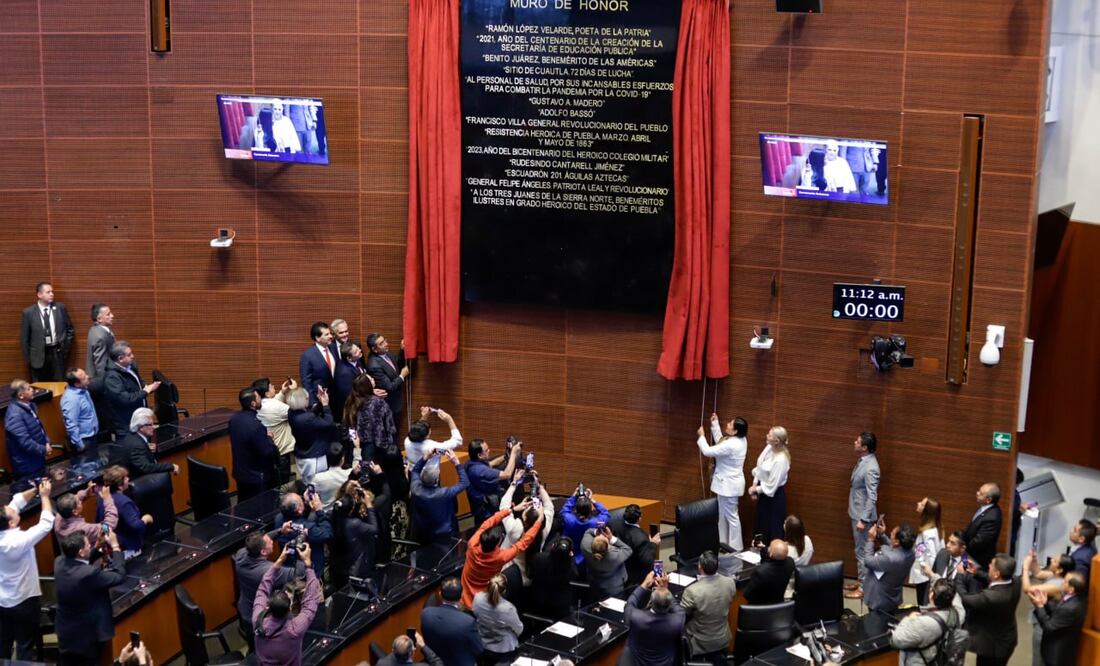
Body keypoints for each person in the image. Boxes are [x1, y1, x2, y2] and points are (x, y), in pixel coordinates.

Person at [55, 529, 127, 665]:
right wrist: (116, 547)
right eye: (88, 545)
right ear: (81, 552)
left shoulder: (59, 562)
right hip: (86, 637)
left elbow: (80, 563)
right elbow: (119, 576)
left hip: (65, 633)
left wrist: (97, 548)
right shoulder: (89, 574)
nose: (90, 545)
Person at [0, 479, 53, 660]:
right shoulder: (17, 541)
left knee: (3, 644)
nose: (14, 508)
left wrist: (36, 490)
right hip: (23, 600)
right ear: (12, 523)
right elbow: (46, 524)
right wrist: (45, 496)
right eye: (13, 513)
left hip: (2, 600)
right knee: (25, 645)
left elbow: (16, 502)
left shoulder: (6, 530)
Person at [460, 504, 544, 608]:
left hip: (464, 598)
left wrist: (511, 510)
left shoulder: (472, 544)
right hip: (483, 603)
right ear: (498, 543)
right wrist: (539, 521)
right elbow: (524, 543)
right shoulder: (501, 557)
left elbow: (486, 524)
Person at [252, 543, 322, 666]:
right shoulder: (294, 629)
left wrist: (280, 560)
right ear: (289, 608)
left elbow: (263, 588)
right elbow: (311, 602)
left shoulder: (257, 620)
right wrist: (308, 565)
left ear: (268, 606)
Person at [233, 531, 302, 649]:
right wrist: (300, 553)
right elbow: (298, 573)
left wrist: (280, 531)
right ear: (263, 552)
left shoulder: (241, 554)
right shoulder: (266, 571)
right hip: (260, 619)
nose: (271, 540)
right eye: (269, 542)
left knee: (253, 647)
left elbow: (259, 541)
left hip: (245, 610)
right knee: (263, 648)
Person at [347, 373, 405, 499]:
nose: (373, 379)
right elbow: (390, 426)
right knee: (383, 477)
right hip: (381, 446)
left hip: (361, 448)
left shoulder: (351, 402)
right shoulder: (379, 403)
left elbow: (349, 427)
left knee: (366, 478)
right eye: (370, 379)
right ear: (367, 386)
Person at [695, 412, 747, 551]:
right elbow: (721, 443)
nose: (728, 424)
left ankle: (736, 548)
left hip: (729, 486)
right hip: (726, 484)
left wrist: (701, 437)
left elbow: (708, 451)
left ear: (735, 431)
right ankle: (723, 544)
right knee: (723, 515)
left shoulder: (732, 444)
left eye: (730, 424)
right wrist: (715, 424)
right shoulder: (739, 440)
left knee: (731, 517)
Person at [958, 553, 1021, 666]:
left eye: (991, 566)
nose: (988, 566)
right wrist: (977, 572)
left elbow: (965, 598)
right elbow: (995, 580)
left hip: (992, 648)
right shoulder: (1015, 581)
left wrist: (960, 576)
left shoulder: (991, 597)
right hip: (1007, 638)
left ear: (997, 573)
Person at [889, 578, 964, 666]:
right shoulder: (958, 612)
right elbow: (955, 596)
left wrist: (908, 619)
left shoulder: (923, 623)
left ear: (931, 595)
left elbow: (896, 640)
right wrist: (931, 574)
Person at [681, 550, 738, 664]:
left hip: (700, 642)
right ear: (718, 565)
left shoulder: (692, 591)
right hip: (722, 638)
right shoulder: (730, 583)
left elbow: (681, 615)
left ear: (699, 567)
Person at [500, 470, 554, 586]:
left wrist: (514, 482)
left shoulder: (515, 528)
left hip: (510, 577)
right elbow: (549, 506)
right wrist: (540, 487)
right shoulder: (543, 529)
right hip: (529, 578)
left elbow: (504, 506)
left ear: (524, 517)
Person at [1022, 549, 1075, 666]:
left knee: (1039, 659)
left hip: (1045, 625)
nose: (1051, 560)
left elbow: (1027, 589)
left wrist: (1025, 568)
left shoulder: (1057, 585)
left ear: (1060, 569)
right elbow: (1038, 573)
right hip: (1043, 619)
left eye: (1055, 561)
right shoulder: (1056, 574)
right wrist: (1033, 561)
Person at [623, 571, 685, 666]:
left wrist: (644, 584)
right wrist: (665, 590)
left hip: (640, 662)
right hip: (666, 663)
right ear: (669, 605)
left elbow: (630, 603)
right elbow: (677, 607)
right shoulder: (678, 620)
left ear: (650, 602)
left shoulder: (636, 617)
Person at [846, 432, 880, 599]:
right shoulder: (864, 461)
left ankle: (864, 588)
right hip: (856, 511)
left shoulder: (871, 467)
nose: (855, 442)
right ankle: (861, 581)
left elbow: (872, 496)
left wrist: (864, 519)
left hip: (862, 516)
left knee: (862, 552)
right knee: (859, 549)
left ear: (865, 447)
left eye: (858, 441)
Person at [410, 449, 469, 543]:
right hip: (444, 536)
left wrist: (424, 458)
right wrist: (456, 462)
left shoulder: (415, 488)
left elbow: (415, 471)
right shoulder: (445, 493)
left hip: (422, 534)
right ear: (437, 479)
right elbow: (465, 482)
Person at [421, 577, 483, 666]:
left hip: (434, 660)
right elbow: (479, 649)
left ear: (440, 594)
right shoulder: (468, 622)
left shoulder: (426, 613)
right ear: (461, 596)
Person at [102, 342, 159, 438]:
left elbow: (139, 383)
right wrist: (145, 391)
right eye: (129, 355)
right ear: (120, 359)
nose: (132, 356)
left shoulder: (130, 367)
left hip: (139, 419)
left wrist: (148, 387)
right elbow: (125, 399)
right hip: (126, 424)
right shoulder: (112, 377)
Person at [1028, 571, 1087, 666]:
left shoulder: (1071, 608)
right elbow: (1058, 613)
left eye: (1065, 581)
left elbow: (1049, 626)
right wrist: (1045, 604)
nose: (1062, 582)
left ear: (1071, 589)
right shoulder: (1075, 597)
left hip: (1056, 654)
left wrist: (1039, 606)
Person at [230, 387, 278, 501]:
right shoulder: (256, 426)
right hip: (256, 477)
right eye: (258, 398)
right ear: (253, 403)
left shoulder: (234, 419)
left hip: (240, 473)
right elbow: (266, 451)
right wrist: (269, 439)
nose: (260, 399)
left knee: (243, 504)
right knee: (258, 508)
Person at [20, 282, 75, 381]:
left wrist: (65, 348)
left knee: (59, 384)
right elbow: (25, 339)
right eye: (48, 292)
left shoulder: (60, 308)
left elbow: (70, 329)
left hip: (57, 353)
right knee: (40, 388)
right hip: (38, 356)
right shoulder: (28, 312)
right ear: (39, 295)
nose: (52, 294)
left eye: (52, 292)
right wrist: (29, 359)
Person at [862, 520, 917, 614]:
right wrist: (882, 535)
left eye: (892, 534)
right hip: (892, 595)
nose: (890, 534)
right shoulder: (911, 553)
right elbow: (896, 548)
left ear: (897, 542)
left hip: (879, 599)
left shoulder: (889, 559)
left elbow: (867, 561)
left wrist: (870, 539)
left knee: (876, 625)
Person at [97, 465, 152, 558]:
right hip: (129, 549)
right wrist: (145, 519)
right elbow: (136, 526)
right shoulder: (124, 502)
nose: (128, 479)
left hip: (113, 550)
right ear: (119, 484)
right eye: (125, 478)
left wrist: (110, 537)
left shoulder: (103, 499)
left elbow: (103, 524)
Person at [287, 386, 339, 482]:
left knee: (307, 481)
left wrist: (320, 402)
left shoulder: (291, 413)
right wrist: (326, 405)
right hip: (314, 457)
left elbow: (312, 411)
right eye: (306, 398)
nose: (308, 399)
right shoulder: (307, 418)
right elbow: (329, 423)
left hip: (303, 453)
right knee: (316, 483)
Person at [464, 437, 521, 525]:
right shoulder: (480, 471)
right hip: (487, 513)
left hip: (480, 506)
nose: (489, 450)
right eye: (486, 450)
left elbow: (491, 464)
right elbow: (507, 474)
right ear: (479, 455)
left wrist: (506, 455)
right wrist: (513, 453)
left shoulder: (471, 462)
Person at [274, 491, 332, 576]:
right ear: (299, 510)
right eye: (301, 500)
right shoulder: (307, 528)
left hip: (289, 568)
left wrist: (306, 503)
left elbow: (300, 517)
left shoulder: (279, 518)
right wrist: (319, 511)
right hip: (310, 571)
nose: (302, 498)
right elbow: (327, 534)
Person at [749, 426, 791, 542]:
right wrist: (754, 484)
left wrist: (755, 490)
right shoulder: (769, 447)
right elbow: (760, 465)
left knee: (772, 529)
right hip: (763, 494)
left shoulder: (781, 460)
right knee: (761, 526)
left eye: (769, 435)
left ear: (777, 441)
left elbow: (771, 487)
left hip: (774, 498)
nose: (766, 436)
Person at [471, 573, 524, 664]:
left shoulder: (477, 598)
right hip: (504, 650)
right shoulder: (508, 608)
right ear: (504, 590)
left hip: (483, 643)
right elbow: (519, 628)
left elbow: (475, 614)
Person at [4, 379, 51, 478]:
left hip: (37, 457)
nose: (33, 390)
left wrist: (47, 442)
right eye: (29, 389)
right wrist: (44, 450)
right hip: (28, 465)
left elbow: (39, 427)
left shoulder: (30, 406)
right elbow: (25, 442)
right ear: (21, 395)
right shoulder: (14, 415)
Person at [254, 377, 296, 486]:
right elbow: (296, 412)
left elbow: (273, 403)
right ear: (267, 393)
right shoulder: (276, 407)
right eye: (271, 386)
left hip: (268, 449)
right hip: (281, 453)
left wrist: (282, 392)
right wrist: (294, 392)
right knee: (283, 485)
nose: (273, 386)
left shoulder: (258, 405)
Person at [610, 502, 660, 586]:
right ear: (639, 519)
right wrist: (653, 544)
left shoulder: (615, 526)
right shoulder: (641, 537)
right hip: (635, 575)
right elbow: (648, 561)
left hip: (620, 568)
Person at [529, 536, 578, 619]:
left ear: (552, 547)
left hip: (539, 601)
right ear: (570, 553)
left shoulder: (538, 558)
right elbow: (575, 575)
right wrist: (571, 558)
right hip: (560, 606)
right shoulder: (570, 569)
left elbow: (531, 574)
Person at [121, 408, 178, 479]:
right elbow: (146, 467)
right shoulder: (137, 445)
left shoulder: (135, 436)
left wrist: (150, 449)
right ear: (141, 427)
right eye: (150, 425)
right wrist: (171, 466)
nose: (153, 427)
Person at [561, 484, 609, 567]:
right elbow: (605, 513)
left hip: (567, 552)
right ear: (591, 510)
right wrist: (592, 499)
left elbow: (565, 509)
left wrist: (574, 497)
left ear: (575, 510)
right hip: (586, 556)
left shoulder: (568, 519)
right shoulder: (596, 522)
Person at [366, 332, 410, 422]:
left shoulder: (386, 353)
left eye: (385, 340)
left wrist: (402, 350)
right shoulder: (374, 365)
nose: (386, 344)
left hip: (396, 403)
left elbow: (395, 363)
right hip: (389, 406)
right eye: (381, 343)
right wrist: (402, 376)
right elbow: (389, 387)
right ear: (374, 349)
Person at [581, 524, 633, 598]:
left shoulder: (585, 546)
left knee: (595, 602)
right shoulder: (614, 556)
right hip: (613, 588)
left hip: (594, 583)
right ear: (607, 547)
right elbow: (628, 550)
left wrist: (597, 532)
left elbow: (588, 531)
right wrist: (611, 538)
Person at [909, 497, 944, 607]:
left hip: (925, 576)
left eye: (922, 504)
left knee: (923, 605)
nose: (918, 503)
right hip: (928, 575)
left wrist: (927, 570)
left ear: (927, 511)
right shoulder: (937, 528)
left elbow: (931, 555)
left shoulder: (927, 533)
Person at [312, 439, 365, 507]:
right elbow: (356, 467)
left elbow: (309, 495)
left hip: (325, 513)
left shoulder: (318, 478)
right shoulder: (349, 475)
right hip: (345, 511)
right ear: (342, 459)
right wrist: (357, 447)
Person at [962, 482, 1003, 569]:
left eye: (981, 493)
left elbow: (980, 542)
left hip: (978, 560)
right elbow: (972, 526)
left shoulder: (992, 517)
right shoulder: (984, 508)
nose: (977, 493)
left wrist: (963, 548)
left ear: (988, 500)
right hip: (971, 556)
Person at [743, 539, 796, 605]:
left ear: (770, 554)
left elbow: (747, 594)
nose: (768, 548)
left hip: (759, 606)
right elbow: (777, 559)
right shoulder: (790, 563)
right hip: (778, 601)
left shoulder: (760, 571)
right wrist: (764, 548)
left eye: (770, 547)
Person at [299, 322, 337, 407]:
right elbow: (306, 382)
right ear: (317, 338)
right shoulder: (308, 356)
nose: (330, 336)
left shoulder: (333, 348)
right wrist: (313, 402)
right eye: (326, 334)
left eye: (330, 333)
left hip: (336, 398)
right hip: (319, 400)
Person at [60, 368, 98, 451]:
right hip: (84, 440)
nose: (88, 377)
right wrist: (80, 445)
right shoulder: (71, 399)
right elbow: (71, 425)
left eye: (86, 374)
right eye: (84, 378)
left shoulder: (83, 390)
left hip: (92, 436)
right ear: (77, 384)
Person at [331, 341, 367, 424]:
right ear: (349, 358)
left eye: (358, 348)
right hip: (352, 413)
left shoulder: (357, 360)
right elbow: (350, 396)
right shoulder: (344, 373)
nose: (360, 350)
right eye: (356, 351)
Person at [85, 303, 115, 391]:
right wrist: (109, 383)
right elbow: (100, 364)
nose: (112, 316)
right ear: (99, 319)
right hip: (101, 381)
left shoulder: (96, 329)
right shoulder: (100, 336)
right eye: (108, 314)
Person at [376, 632, 443, 666]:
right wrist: (423, 645)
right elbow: (439, 664)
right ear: (411, 653)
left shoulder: (381, 663)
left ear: (392, 649)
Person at [1067, 519, 1096, 583]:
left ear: (1081, 539)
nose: (1071, 531)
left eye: (1074, 530)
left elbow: (1076, 584)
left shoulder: (1080, 559)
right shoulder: (1091, 548)